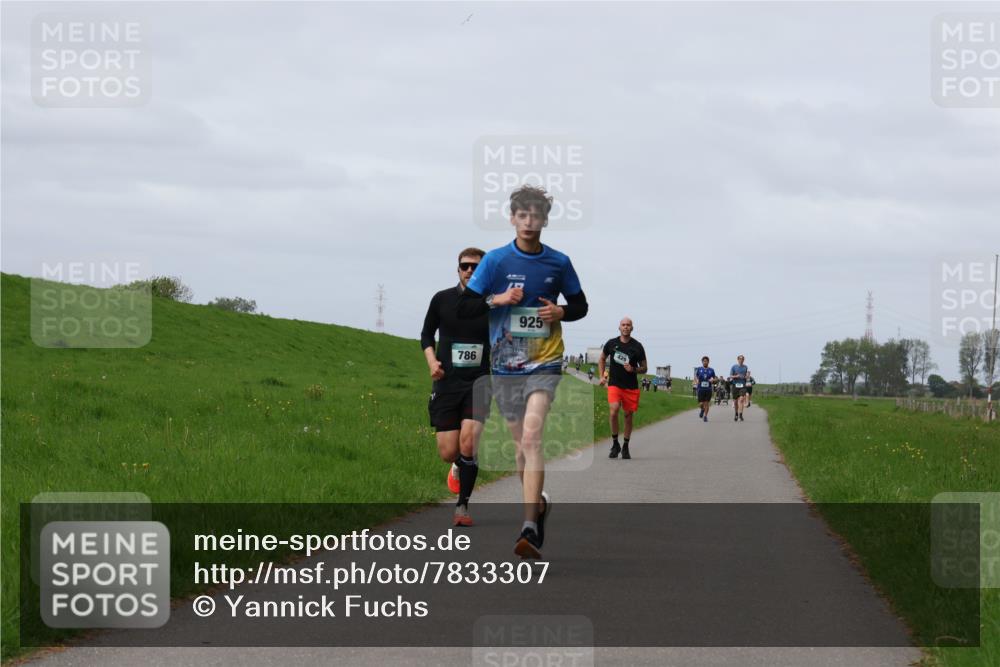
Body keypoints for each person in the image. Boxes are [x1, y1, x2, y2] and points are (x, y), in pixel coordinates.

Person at [457, 185, 588, 560]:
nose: (529, 221)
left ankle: (529, 526)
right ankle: (538, 507)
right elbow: (466, 307)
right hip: (505, 366)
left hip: (545, 361)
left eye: (536, 215)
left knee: (532, 437)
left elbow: (580, 305)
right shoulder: (496, 261)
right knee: (520, 447)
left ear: (545, 220)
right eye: (523, 215)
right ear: (513, 218)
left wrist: (562, 312)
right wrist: (496, 300)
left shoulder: (559, 263)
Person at [420, 248, 490, 526]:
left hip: (479, 381)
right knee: (449, 451)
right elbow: (426, 333)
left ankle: (462, 507)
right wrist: (431, 361)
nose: (470, 271)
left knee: (469, 441)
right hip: (447, 382)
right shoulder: (442, 299)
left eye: (476, 267)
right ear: (458, 269)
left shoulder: (492, 303)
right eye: (465, 266)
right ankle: (458, 464)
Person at [599, 318, 647, 459]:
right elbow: (602, 359)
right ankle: (615, 444)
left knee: (628, 415)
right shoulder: (611, 343)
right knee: (613, 411)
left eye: (628, 325)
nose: (626, 327)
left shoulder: (637, 346)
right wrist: (602, 376)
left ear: (632, 328)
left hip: (631, 386)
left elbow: (645, 368)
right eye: (623, 325)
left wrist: (633, 369)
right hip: (614, 384)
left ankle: (625, 446)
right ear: (619, 328)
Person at [694, 356, 717, 422]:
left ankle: (705, 416)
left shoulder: (711, 370)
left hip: (708, 389)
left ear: (708, 362)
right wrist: (696, 381)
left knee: (706, 403)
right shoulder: (699, 369)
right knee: (701, 404)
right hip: (700, 389)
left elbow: (715, 379)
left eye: (706, 361)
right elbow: (696, 377)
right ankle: (702, 409)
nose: (705, 362)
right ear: (702, 362)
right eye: (704, 361)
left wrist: (713, 380)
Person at [729, 355, 750, 422]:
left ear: (743, 360)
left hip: (742, 386)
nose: (741, 360)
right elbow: (730, 376)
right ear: (737, 360)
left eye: (742, 359)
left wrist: (747, 376)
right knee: (735, 402)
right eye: (740, 359)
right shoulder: (734, 367)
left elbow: (746, 376)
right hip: (735, 385)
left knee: (741, 400)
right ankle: (736, 414)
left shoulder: (745, 367)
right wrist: (736, 376)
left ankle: (740, 414)